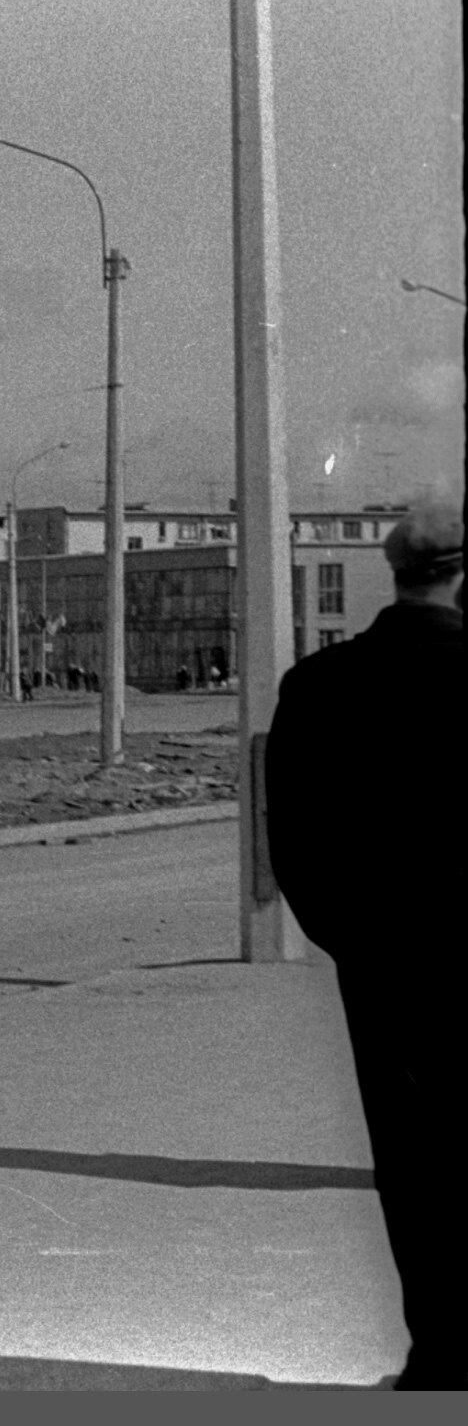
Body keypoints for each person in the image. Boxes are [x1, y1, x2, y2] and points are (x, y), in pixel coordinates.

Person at [266, 497, 464, 1389]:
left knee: (414, 1163)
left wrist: (355, 939)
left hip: (385, 964)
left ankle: (442, 1359)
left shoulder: (320, 685)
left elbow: (295, 848)